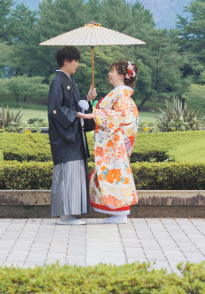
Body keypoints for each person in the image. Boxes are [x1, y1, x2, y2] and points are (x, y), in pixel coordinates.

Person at [47, 45, 97, 225]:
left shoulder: (69, 81)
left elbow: (75, 107)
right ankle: (65, 215)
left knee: (75, 173)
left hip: (74, 136)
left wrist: (88, 100)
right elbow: (56, 109)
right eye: (75, 61)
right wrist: (77, 114)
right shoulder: (58, 81)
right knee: (69, 173)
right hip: (65, 137)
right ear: (66, 61)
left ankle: (72, 212)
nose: (77, 64)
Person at [88, 60, 139, 224]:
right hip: (117, 141)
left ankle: (120, 212)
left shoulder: (122, 97)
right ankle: (118, 212)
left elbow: (116, 118)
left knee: (116, 174)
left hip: (117, 143)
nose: (109, 74)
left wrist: (96, 114)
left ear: (122, 76)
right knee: (114, 175)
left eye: (112, 71)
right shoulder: (120, 95)